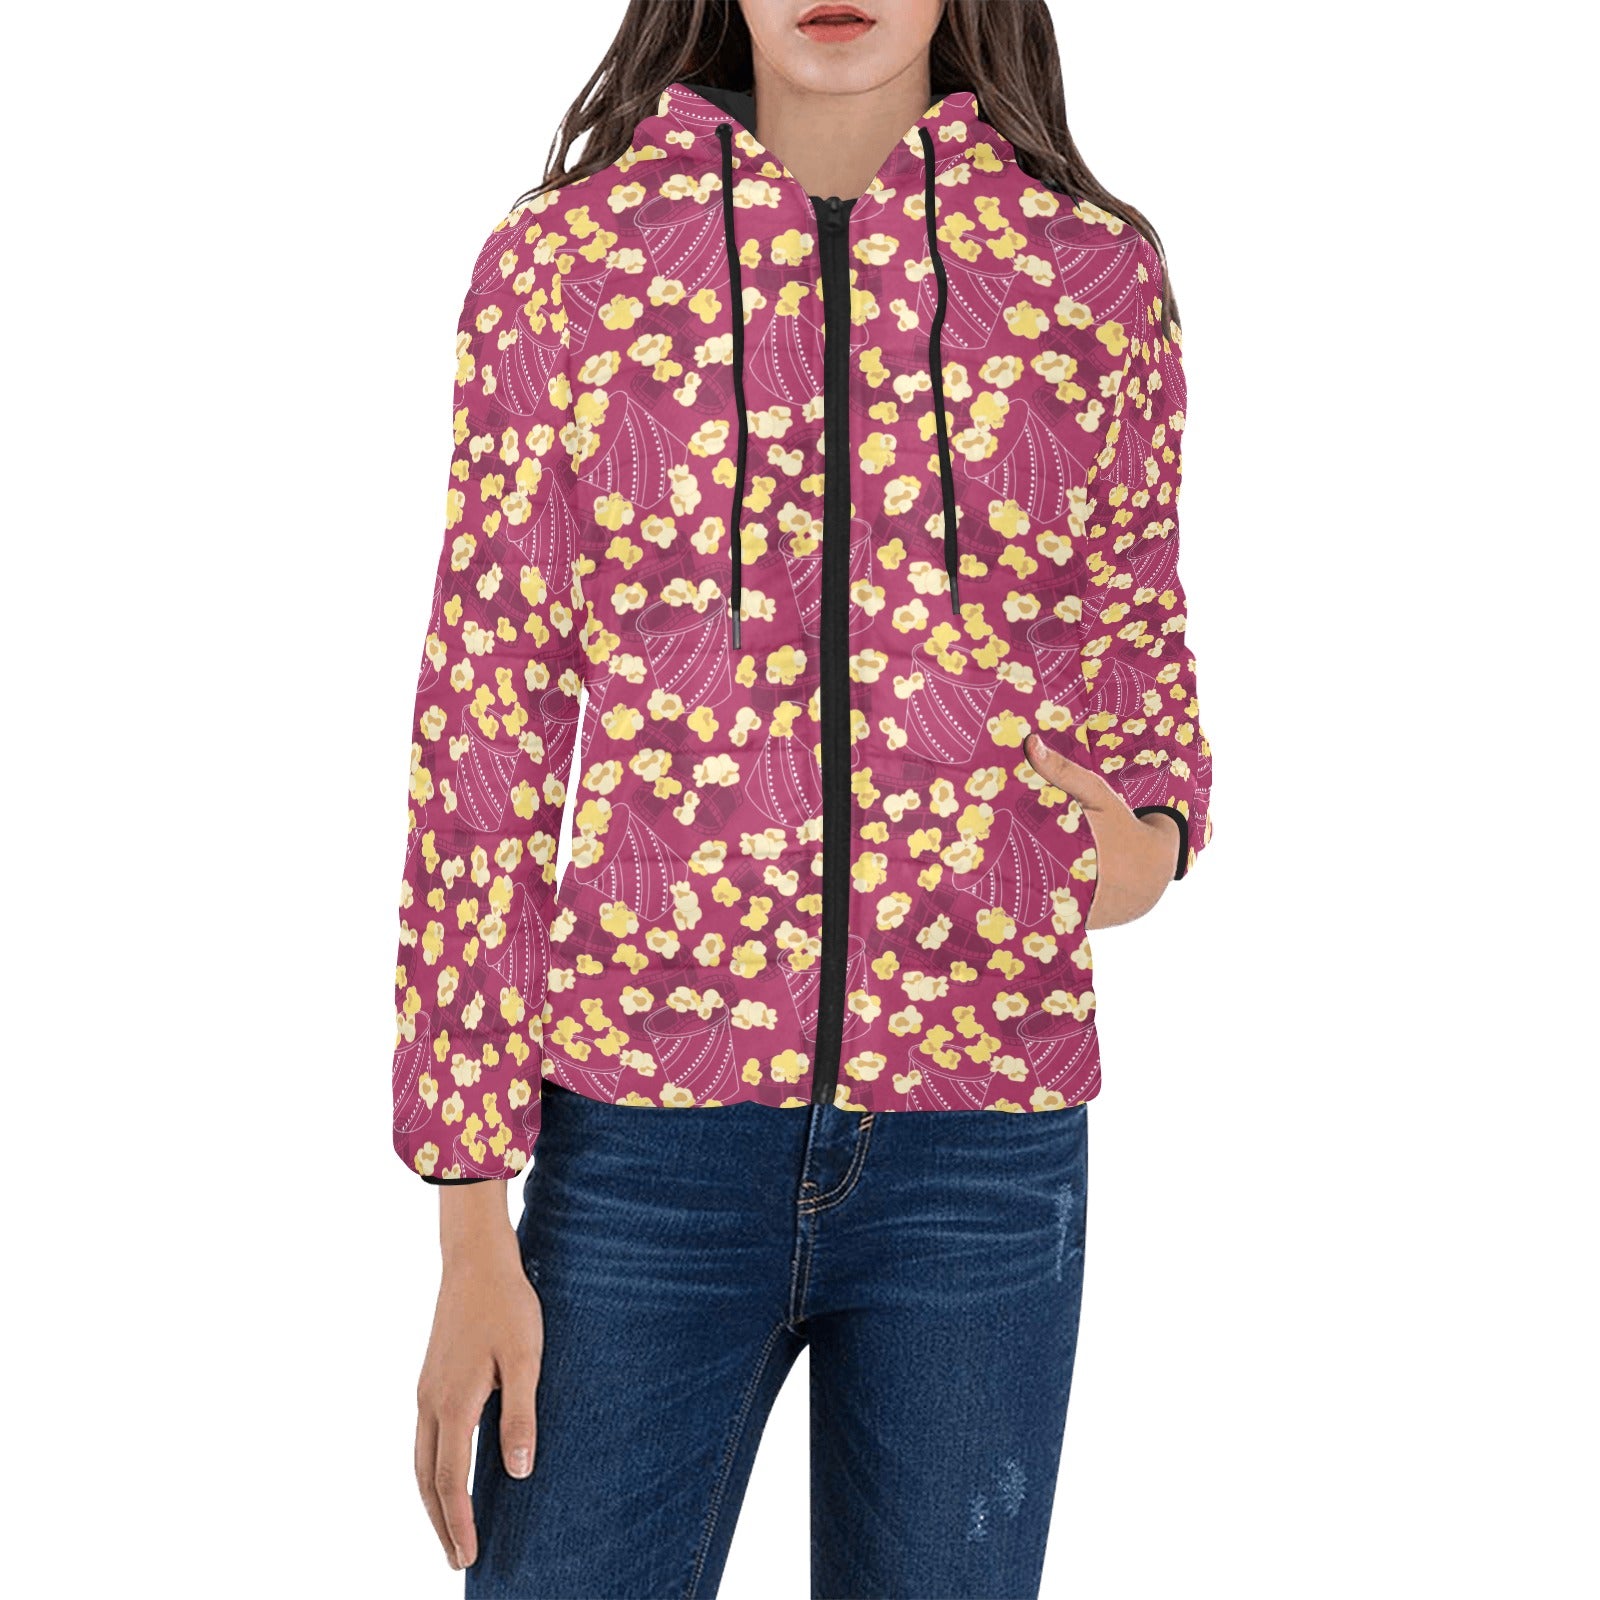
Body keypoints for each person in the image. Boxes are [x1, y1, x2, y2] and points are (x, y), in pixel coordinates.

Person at [390, 2, 1214, 1594]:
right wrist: (469, 1216)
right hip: (642, 1137)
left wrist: (1156, 834)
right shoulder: (567, 269)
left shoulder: (1090, 275)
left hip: (983, 1140)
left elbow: (1135, 625)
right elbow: (485, 729)